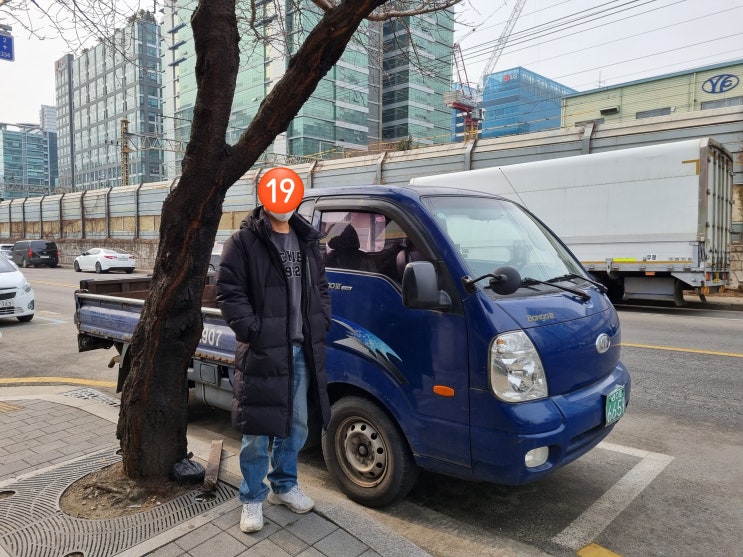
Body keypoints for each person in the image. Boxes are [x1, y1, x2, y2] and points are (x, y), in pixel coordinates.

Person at [215, 204, 332, 533]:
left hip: (301, 348)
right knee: (257, 429)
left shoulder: (307, 240)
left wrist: (321, 321)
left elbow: (320, 287)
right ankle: (252, 497)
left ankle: (284, 486)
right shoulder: (242, 241)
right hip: (263, 350)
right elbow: (228, 291)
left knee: (296, 424)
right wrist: (254, 331)